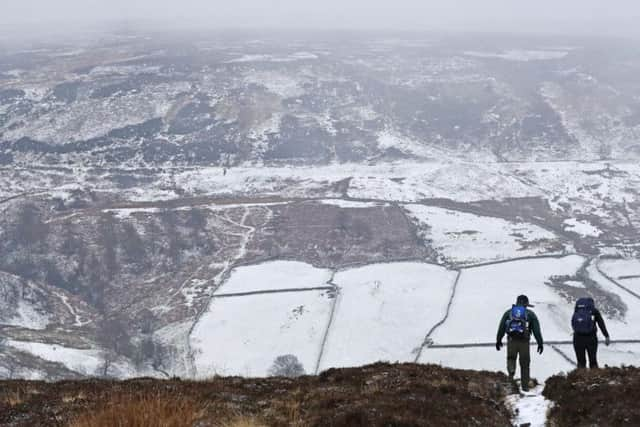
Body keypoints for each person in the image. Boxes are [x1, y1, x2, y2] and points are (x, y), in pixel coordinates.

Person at [496, 295, 544, 392]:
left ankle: (511, 377)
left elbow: (501, 327)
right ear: (526, 304)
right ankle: (525, 386)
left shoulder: (508, 313)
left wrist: (498, 340)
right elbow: (536, 330)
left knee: (511, 359)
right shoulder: (530, 314)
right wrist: (540, 343)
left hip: (511, 341)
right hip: (524, 342)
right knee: (525, 364)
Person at [571, 297, 610, 369]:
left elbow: (574, 323)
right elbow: (601, 324)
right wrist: (606, 336)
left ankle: (580, 378)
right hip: (591, 338)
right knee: (593, 361)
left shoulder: (577, 310)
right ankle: (594, 378)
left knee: (581, 362)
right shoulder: (594, 311)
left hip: (578, 338)